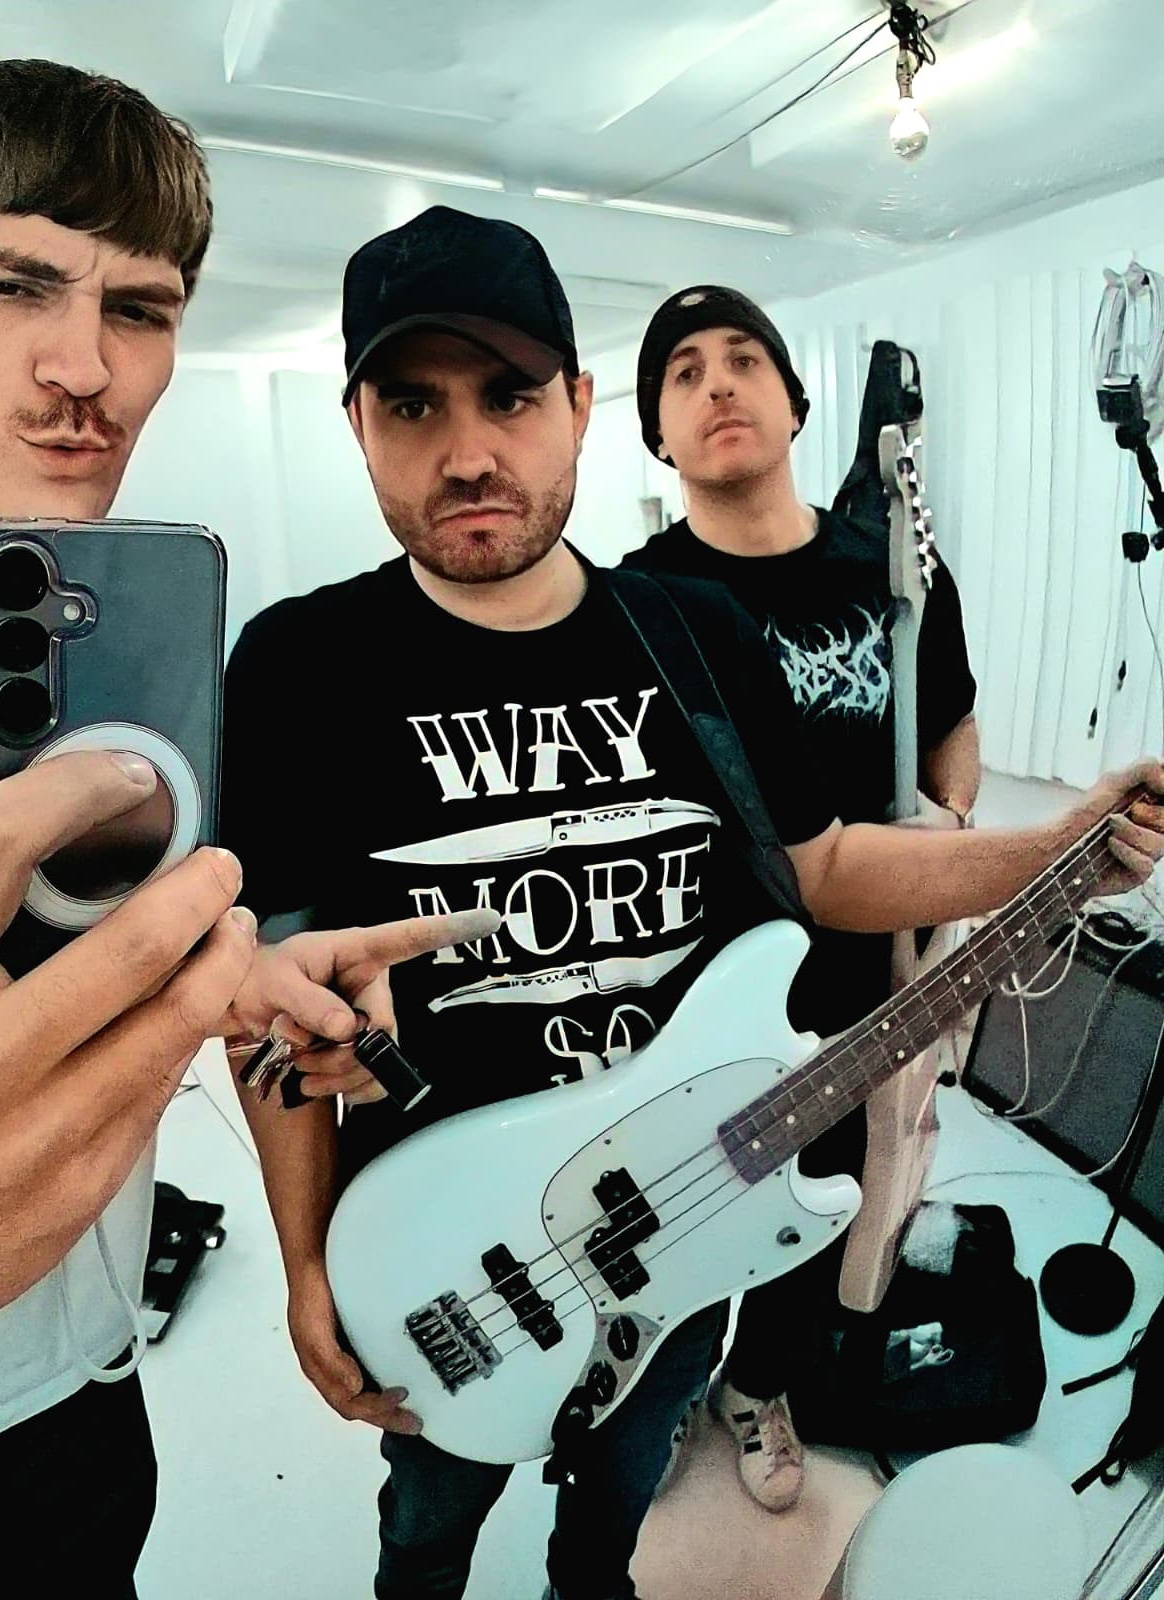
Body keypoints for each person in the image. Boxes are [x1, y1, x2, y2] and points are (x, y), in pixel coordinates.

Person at [219, 203, 1164, 1600]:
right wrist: (305, 1262)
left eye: (510, 394)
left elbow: (824, 867)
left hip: (686, 1215)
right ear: (355, 420)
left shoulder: (693, 631)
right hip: (441, 1241)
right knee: (428, 1513)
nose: (467, 451)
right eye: (412, 402)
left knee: (620, 1487)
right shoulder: (298, 663)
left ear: (579, 403)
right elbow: (276, 1004)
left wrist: (1058, 845)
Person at [0, 60, 494, 1599]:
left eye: (141, 309)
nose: (88, 368)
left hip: (83, 1395)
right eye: (8, 282)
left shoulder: (88, 666)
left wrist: (231, 981)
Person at [621, 286, 981, 1509]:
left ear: (795, 400)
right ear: (656, 432)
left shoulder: (894, 567)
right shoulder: (638, 604)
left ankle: (756, 1381)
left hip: (860, 978)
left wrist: (948, 826)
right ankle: (657, 1393)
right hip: (695, 995)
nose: (717, 384)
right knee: (682, 1209)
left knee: (816, 1202)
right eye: (682, 372)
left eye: (743, 359)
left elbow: (952, 717)